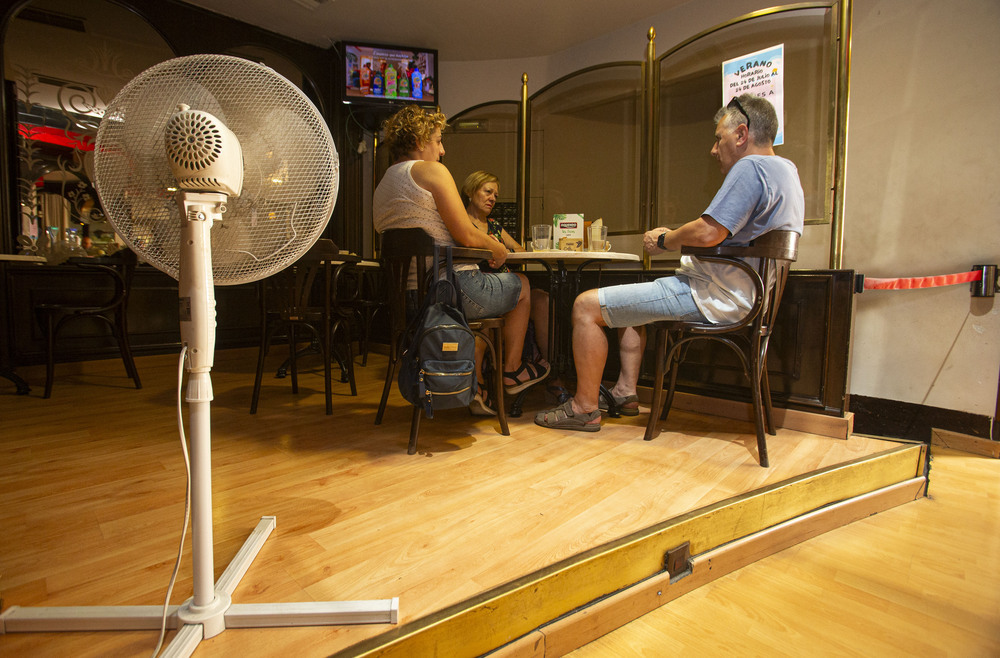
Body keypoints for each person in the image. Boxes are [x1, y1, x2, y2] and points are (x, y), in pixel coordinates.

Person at [534, 94, 804, 432]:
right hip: (748, 297)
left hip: (711, 295)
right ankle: (625, 391)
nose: (713, 149)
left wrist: (665, 239)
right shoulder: (787, 171)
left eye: (718, 138)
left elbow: (708, 232)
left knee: (585, 306)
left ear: (741, 134)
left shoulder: (751, 166)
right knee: (635, 302)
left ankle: (583, 407)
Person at [372, 105, 548, 416]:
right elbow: (466, 233)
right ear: (419, 138)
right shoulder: (430, 171)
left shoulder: (384, 184)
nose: (442, 150)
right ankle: (511, 370)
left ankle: (476, 384)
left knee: (495, 296)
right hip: (449, 291)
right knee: (521, 285)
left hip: (408, 300)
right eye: (438, 140)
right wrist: (498, 249)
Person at [461, 171, 558, 400]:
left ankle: (551, 370)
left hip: (507, 284)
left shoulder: (493, 225)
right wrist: (489, 250)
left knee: (543, 300)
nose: (493, 198)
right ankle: (508, 370)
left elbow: (521, 252)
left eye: (495, 194)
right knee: (515, 294)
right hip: (479, 289)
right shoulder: (462, 223)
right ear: (470, 191)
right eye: (487, 191)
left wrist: (503, 250)